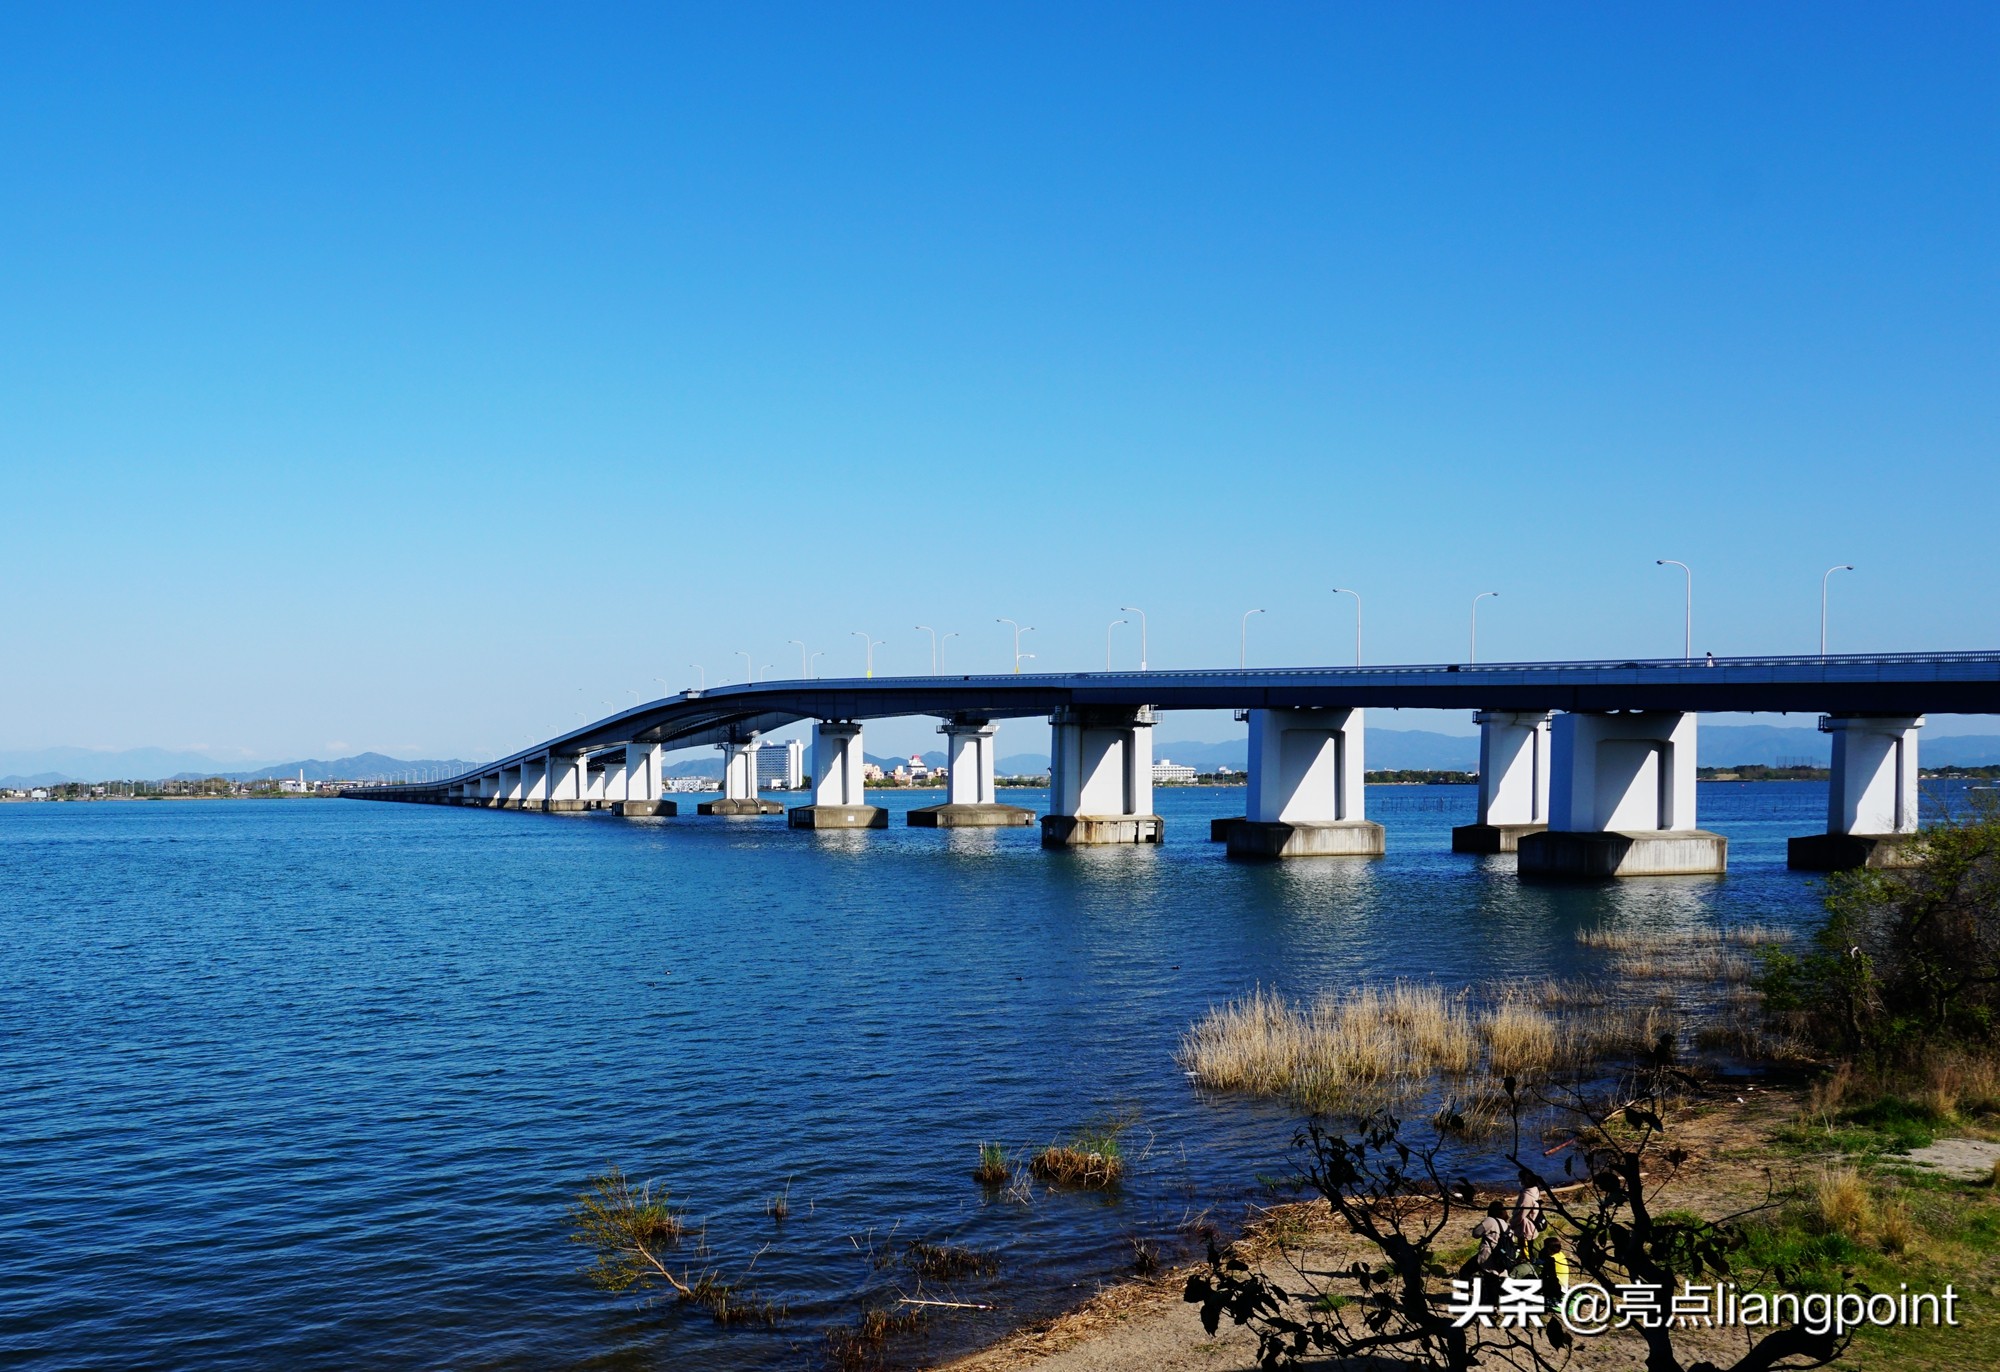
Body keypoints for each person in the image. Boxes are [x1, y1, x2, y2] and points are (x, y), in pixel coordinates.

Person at [1466, 1200, 1513, 1278]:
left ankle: (1468, 1288)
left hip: (1488, 1256)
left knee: (1464, 1272)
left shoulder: (1490, 1221)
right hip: (1502, 1259)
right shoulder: (1508, 1227)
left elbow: (1476, 1233)